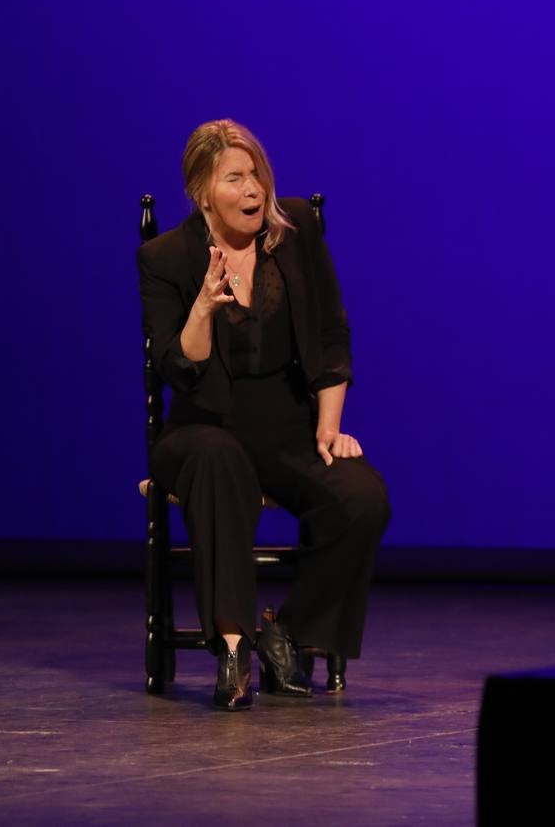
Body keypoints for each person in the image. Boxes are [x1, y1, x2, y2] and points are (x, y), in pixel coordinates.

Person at [139, 119, 391, 711]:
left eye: (256, 173)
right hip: (202, 428)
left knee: (361, 496)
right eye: (235, 177)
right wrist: (201, 307)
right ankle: (233, 646)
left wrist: (329, 426)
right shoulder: (166, 257)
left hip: (287, 428)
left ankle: (292, 633)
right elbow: (179, 367)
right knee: (218, 460)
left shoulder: (295, 231)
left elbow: (331, 337)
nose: (253, 188)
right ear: (203, 192)